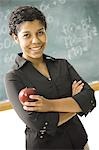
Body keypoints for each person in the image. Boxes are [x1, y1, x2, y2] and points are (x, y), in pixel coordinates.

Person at [4, 5, 96, 150]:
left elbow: (90, 98)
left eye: (40, 32)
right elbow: (40, 123)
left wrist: (49, 105)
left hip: (80, 143)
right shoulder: (13, 78)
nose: (35, 41)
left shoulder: (62, 65)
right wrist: (75, 103)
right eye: (27, 35)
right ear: (16, 38)